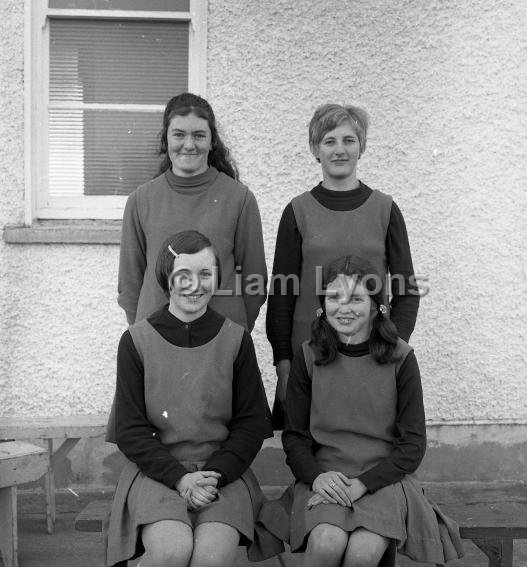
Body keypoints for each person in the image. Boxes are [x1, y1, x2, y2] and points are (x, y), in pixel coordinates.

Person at [282, 255, 463, 567]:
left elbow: (412, 445)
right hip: (328, 475)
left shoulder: (401, 359)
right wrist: (316, 477)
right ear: (323, 304)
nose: (344, 307)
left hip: (382, 479)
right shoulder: (309, 356)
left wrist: (363, 484)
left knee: (362, 554)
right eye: (334, 297)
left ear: (378, 305)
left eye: (356, 298)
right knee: (326, 542)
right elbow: (295, 437)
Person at [106, 230, 273, 567]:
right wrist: (180, 478)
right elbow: (129, 429)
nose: (195, 284)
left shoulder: (236, 339)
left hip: (223, 473)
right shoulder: (136, 341)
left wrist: (214, 475)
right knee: (171, 551)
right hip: (158, 472)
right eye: (184, 274)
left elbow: (252, 424)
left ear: (217, 278)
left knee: (211, 556)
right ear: (167, 278)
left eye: (205, 274)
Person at [266, 103, 420, 427]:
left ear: (361, 147)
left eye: (349, 140)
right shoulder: (297, 211)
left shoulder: (386, 209)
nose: (339, 150)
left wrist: (392, 348)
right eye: (329, 141)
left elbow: (406, 291)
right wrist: (283, 365)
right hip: (311, 357)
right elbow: (281, 297)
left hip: (372, 354)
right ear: (314, 149)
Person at [118, 92, 267, 331]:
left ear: (212, 141)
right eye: (179, 135)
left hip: (222, 339)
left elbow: (255, 282)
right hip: (157, 340)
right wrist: (145, 336)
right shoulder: (140, 201)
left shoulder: (240, 199)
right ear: (166, 139)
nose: (189, 145)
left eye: (199, 135)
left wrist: (233, 334)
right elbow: (129, 284)